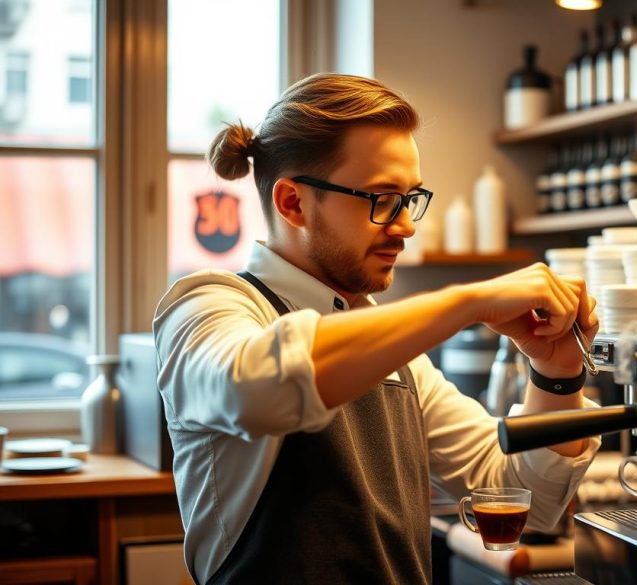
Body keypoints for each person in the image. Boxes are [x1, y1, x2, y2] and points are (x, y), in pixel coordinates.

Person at [153, 73, 601, 585]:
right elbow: (256, 387)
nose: (406, 225)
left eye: (410, 198)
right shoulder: (207, 304)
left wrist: (556, 373)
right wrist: (467, 301)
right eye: (382, 198)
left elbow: (526, 496)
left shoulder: (398, 354)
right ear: (292, 203)